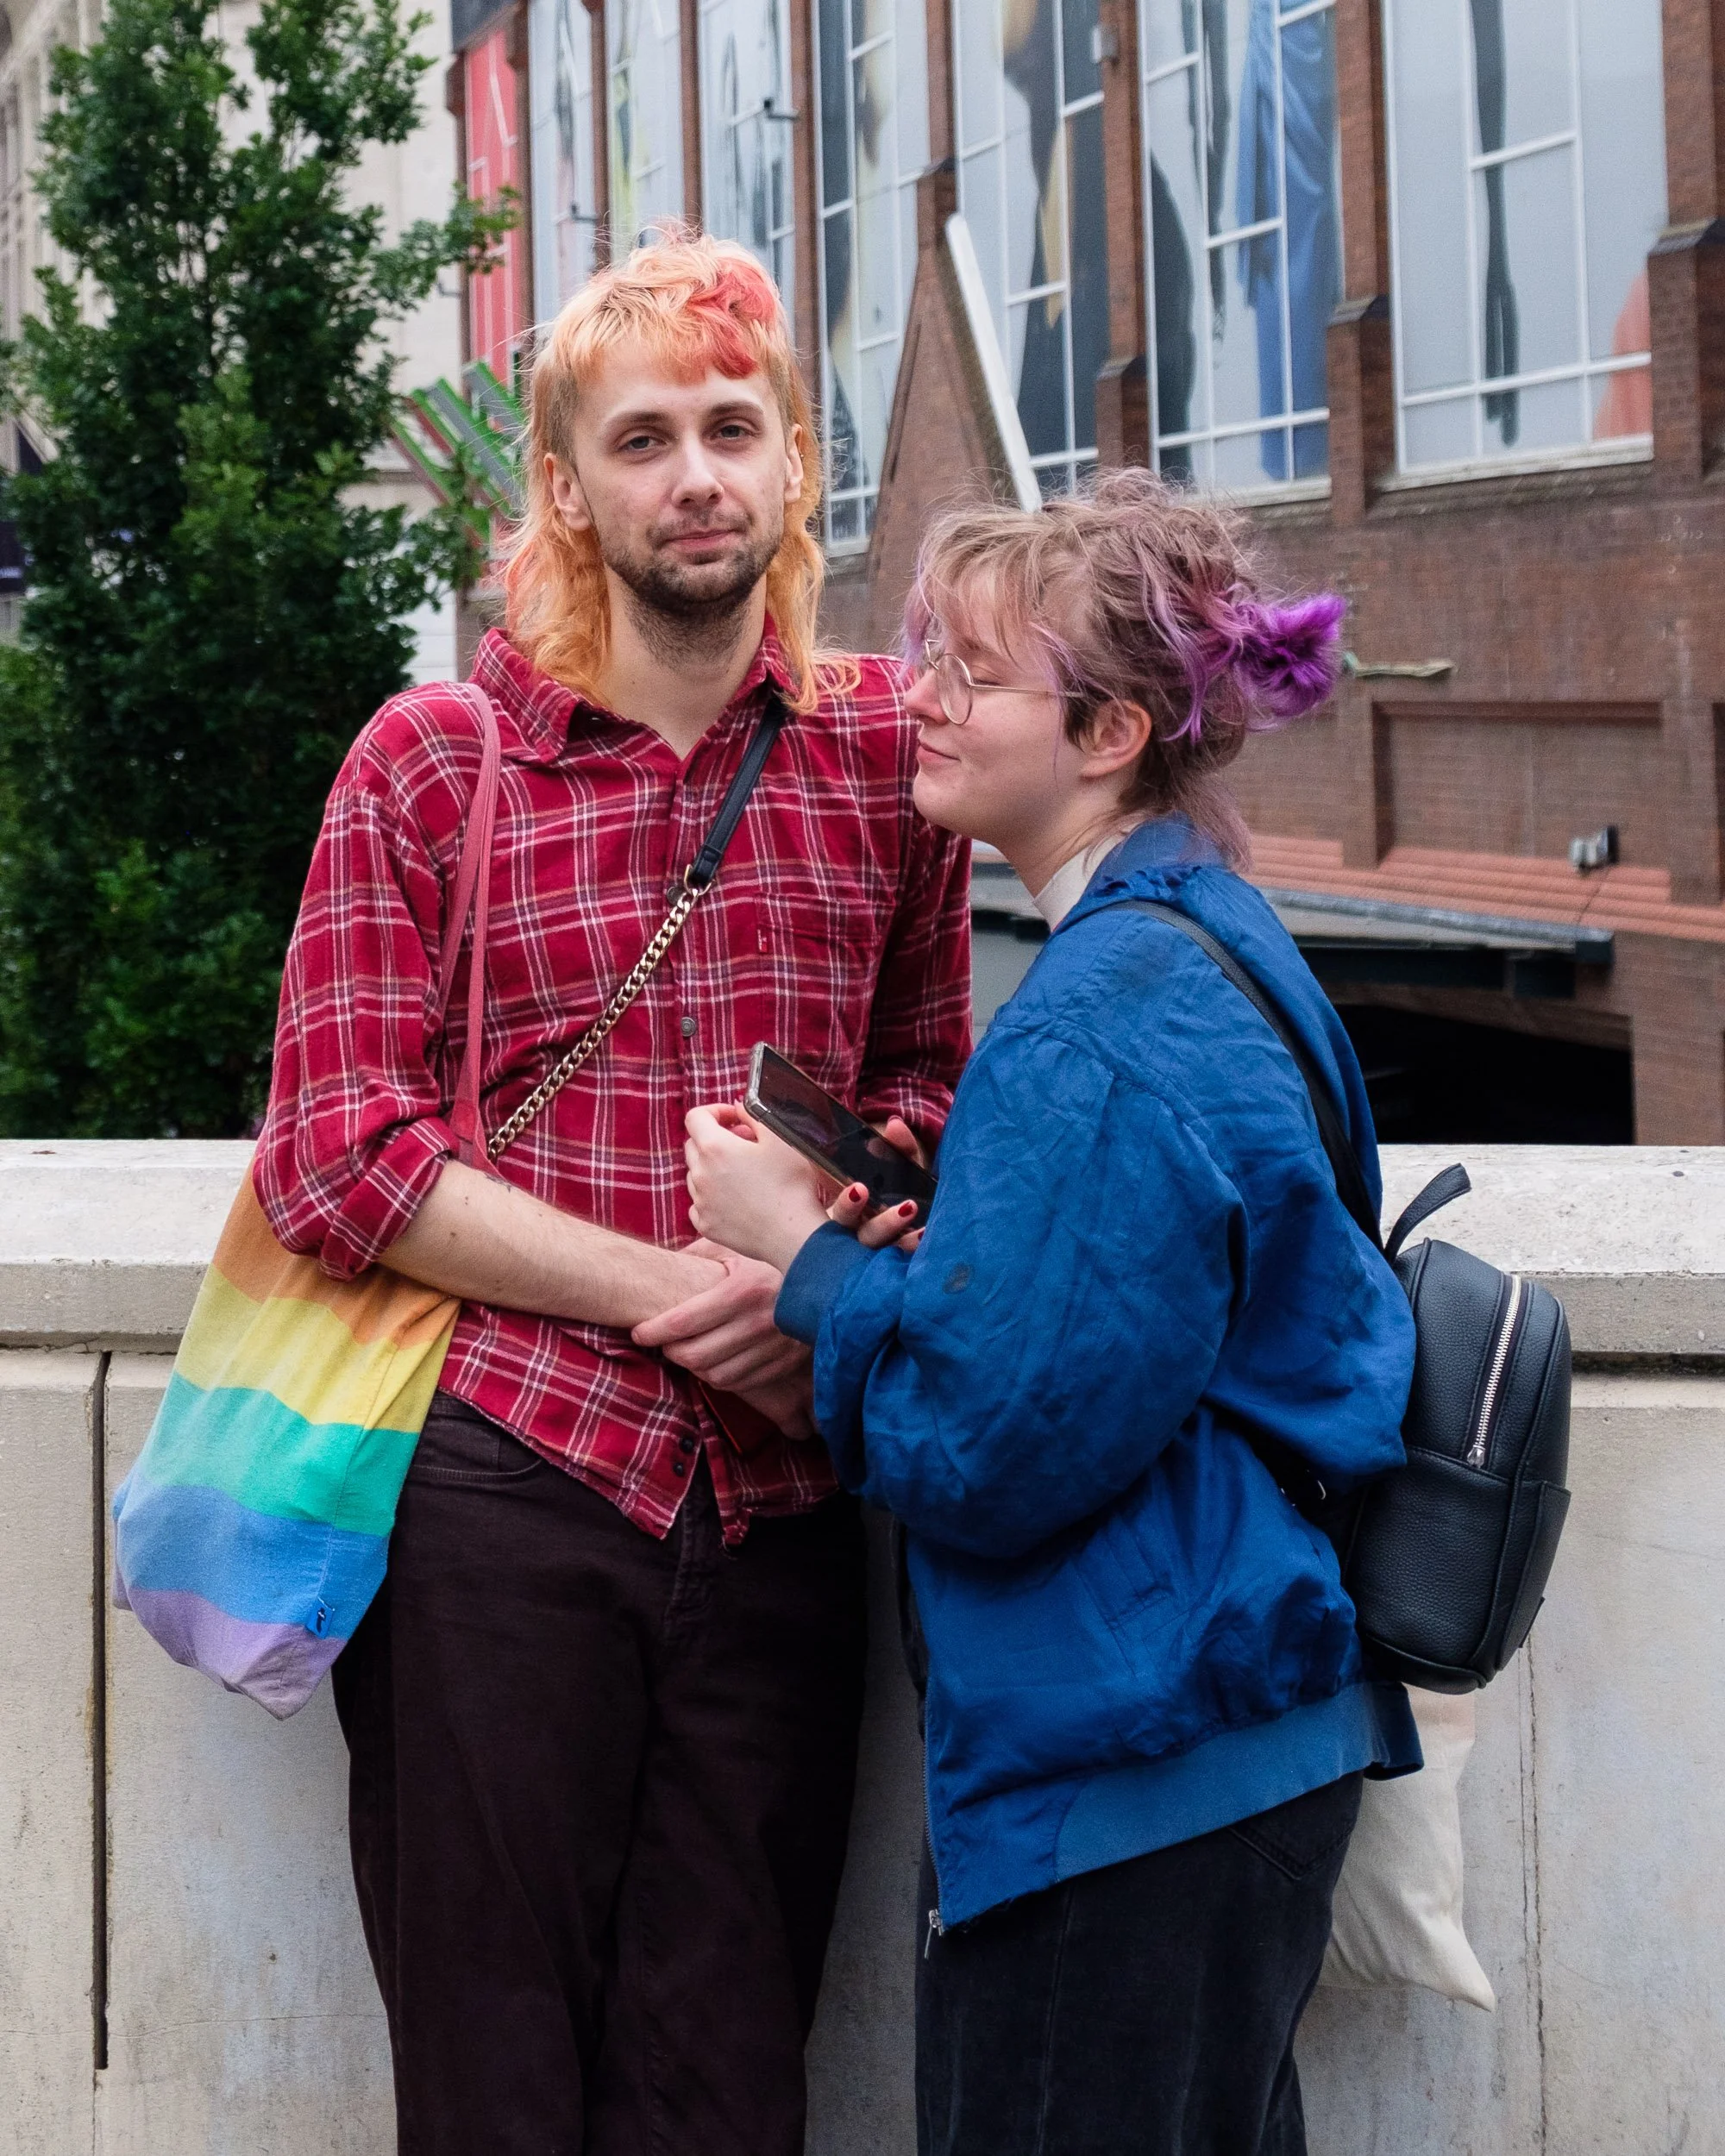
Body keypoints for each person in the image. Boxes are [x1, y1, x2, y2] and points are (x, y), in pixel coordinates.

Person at [252, 233, 972, 2156]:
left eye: (735, 427)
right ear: (565, 488)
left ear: (798, 464)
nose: (697, 475)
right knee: (493, 2086)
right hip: (502, 1490)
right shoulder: (438, 762)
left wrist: (825, 1262)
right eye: (642, 437)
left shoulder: (885, 755)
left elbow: (927, 1086)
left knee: (729, 2084)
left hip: (784, 1508)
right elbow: (337, 1153)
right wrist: (684, 1284)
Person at [683, 468, 1422, 2156]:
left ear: (1106, 731)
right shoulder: (1211, 939)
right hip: (1224, 1733)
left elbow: (986, 1442)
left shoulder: (1093, 1021)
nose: (918, 696)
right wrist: (934, 1228)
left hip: (1129, 1765)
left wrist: (800, 1258)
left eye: (967, 670)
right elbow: (1132, 1318)